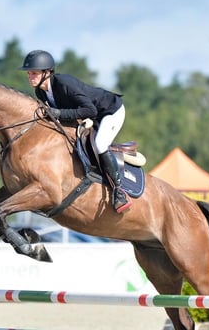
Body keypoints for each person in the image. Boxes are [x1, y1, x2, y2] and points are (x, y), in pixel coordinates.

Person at [20, 49, 132, 213]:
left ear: (47, 72)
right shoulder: (40, 92)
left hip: (109, 111)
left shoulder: (64, 84)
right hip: (90, 116)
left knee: (100, 144)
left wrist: (59, 114)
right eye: (29, 73)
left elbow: (90, 110)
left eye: (34, 73)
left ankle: (119, 191)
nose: (30, 77)